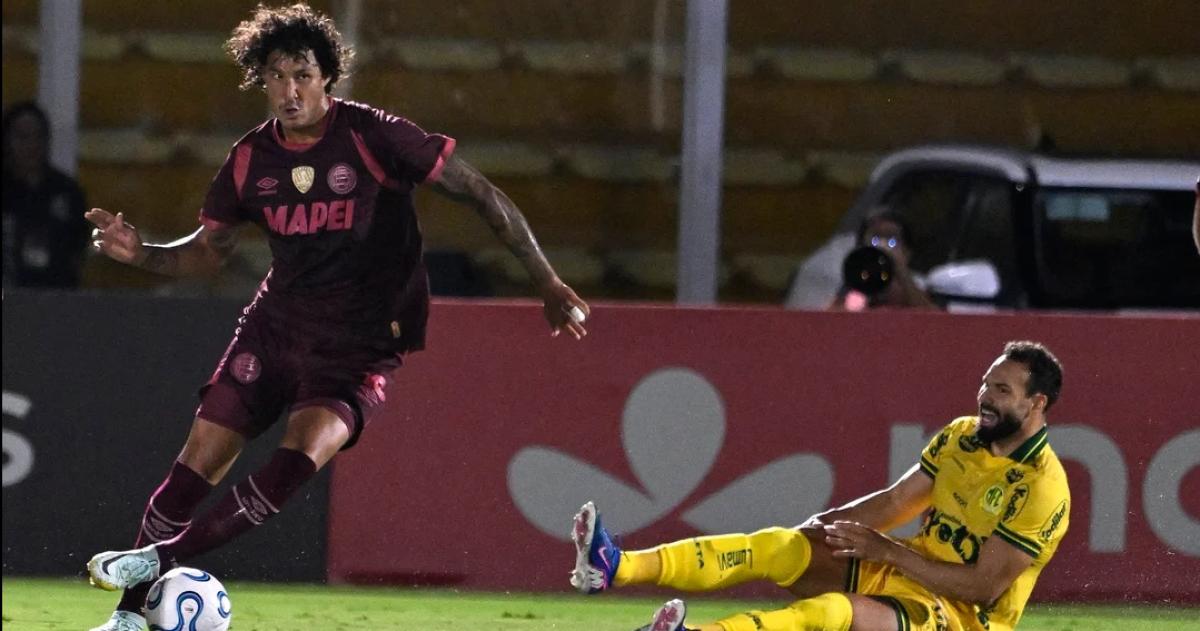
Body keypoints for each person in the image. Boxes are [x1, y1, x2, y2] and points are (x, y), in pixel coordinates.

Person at [82, 5, 588, 631]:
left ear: (328, 78)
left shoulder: (374, 137)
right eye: (275, 75)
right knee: (196, 463)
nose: (289, 90)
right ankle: (130, 617)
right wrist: (141, 253)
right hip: (276, 328)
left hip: (359, 344)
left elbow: (480, 193)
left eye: (302, 74)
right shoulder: (249, 160)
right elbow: (206, 254)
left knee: (302, 453)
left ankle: (160, 559)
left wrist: (547, 281)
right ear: (259, 80)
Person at [572, 341, 1069, 631]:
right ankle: (615, 566)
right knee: (780, 546)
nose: (984, 396)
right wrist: (826, 528)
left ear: (1036, 404)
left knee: (833, 612)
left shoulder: (1042, 487)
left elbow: (984, 587)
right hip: (903, 577)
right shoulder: (963, 437)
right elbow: (898, 501)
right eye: (985, 382)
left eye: (1001, 391)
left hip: (958, 618)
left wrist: (891, 554)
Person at [2, 101, 89, 288]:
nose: (32, 145)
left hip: (57, 298)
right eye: (22, 137)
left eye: (38, 136)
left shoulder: (66, 190)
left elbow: (78, 248)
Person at [829, 209, 937, 311]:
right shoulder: (854, 285)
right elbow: (834, 318)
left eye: (892, 241)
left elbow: (933, 320)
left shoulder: (916, 286)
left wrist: (901, 271)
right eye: (875, 239)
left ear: (907, 252)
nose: (883, 246)